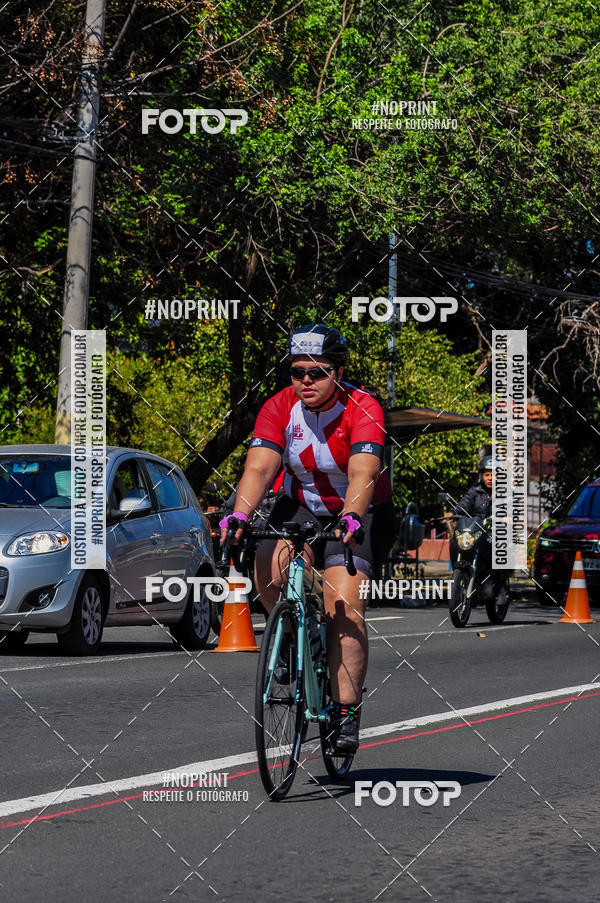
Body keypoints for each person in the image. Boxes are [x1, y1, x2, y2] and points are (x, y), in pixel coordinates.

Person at [220, 324, 395, 753]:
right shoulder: (279, 406)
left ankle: (345, 711)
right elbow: (260, 469)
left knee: (344, 603)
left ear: (338, 371)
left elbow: (363, 473)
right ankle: (290, 638)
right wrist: (239, 515)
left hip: (361, 509)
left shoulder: (363, 406)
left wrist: (351, 516)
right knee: (267, 561)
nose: (305, 382)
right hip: (300, 503)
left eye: (317, 372)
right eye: (298, 372)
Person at [448, 455, 493, 565]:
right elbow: (465, 503)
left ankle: (493, 579)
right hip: (475, 529)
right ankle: (457, 568)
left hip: (492, 530)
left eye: (494, 475)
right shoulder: (475, 491)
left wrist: (507, 517)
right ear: (481, 476)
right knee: (455, 541)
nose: (490, 478)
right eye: (487, 475)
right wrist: (454, 512)